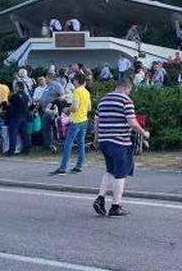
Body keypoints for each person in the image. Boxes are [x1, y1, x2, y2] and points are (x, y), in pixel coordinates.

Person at [92, 80, 149, 217]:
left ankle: (100, 198)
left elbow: (96, 121)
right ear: (126, 88)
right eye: (130, 90)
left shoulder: (103, 100)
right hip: (119, 142)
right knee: (121, 174)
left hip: (104, 141)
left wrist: (96, 138)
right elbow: (132, 123)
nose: (129, 93)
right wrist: (144, 133)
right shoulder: (126, 101)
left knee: (109, 170)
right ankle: (115, 206)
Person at [52, 73, 91, 175]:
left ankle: (63, 168)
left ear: (77, 81)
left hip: (75, 121)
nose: (73, 82)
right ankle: (78, 166)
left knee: (68, 144)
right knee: (81, 143)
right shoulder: (86, 92)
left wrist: (67, 110)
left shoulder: (77, 92)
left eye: (74, 80)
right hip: (84, 120)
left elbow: (74, 107)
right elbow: (89, 108)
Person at [6, 78, 32, 156]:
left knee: (13, 133)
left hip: (15, 116)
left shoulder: (14, 96)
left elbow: (9, 103)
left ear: (17, 87)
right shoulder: (26, 96)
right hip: (24, 116)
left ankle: (11, 150)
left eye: (15, 86)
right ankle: (27, 149)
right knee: (25, 134)